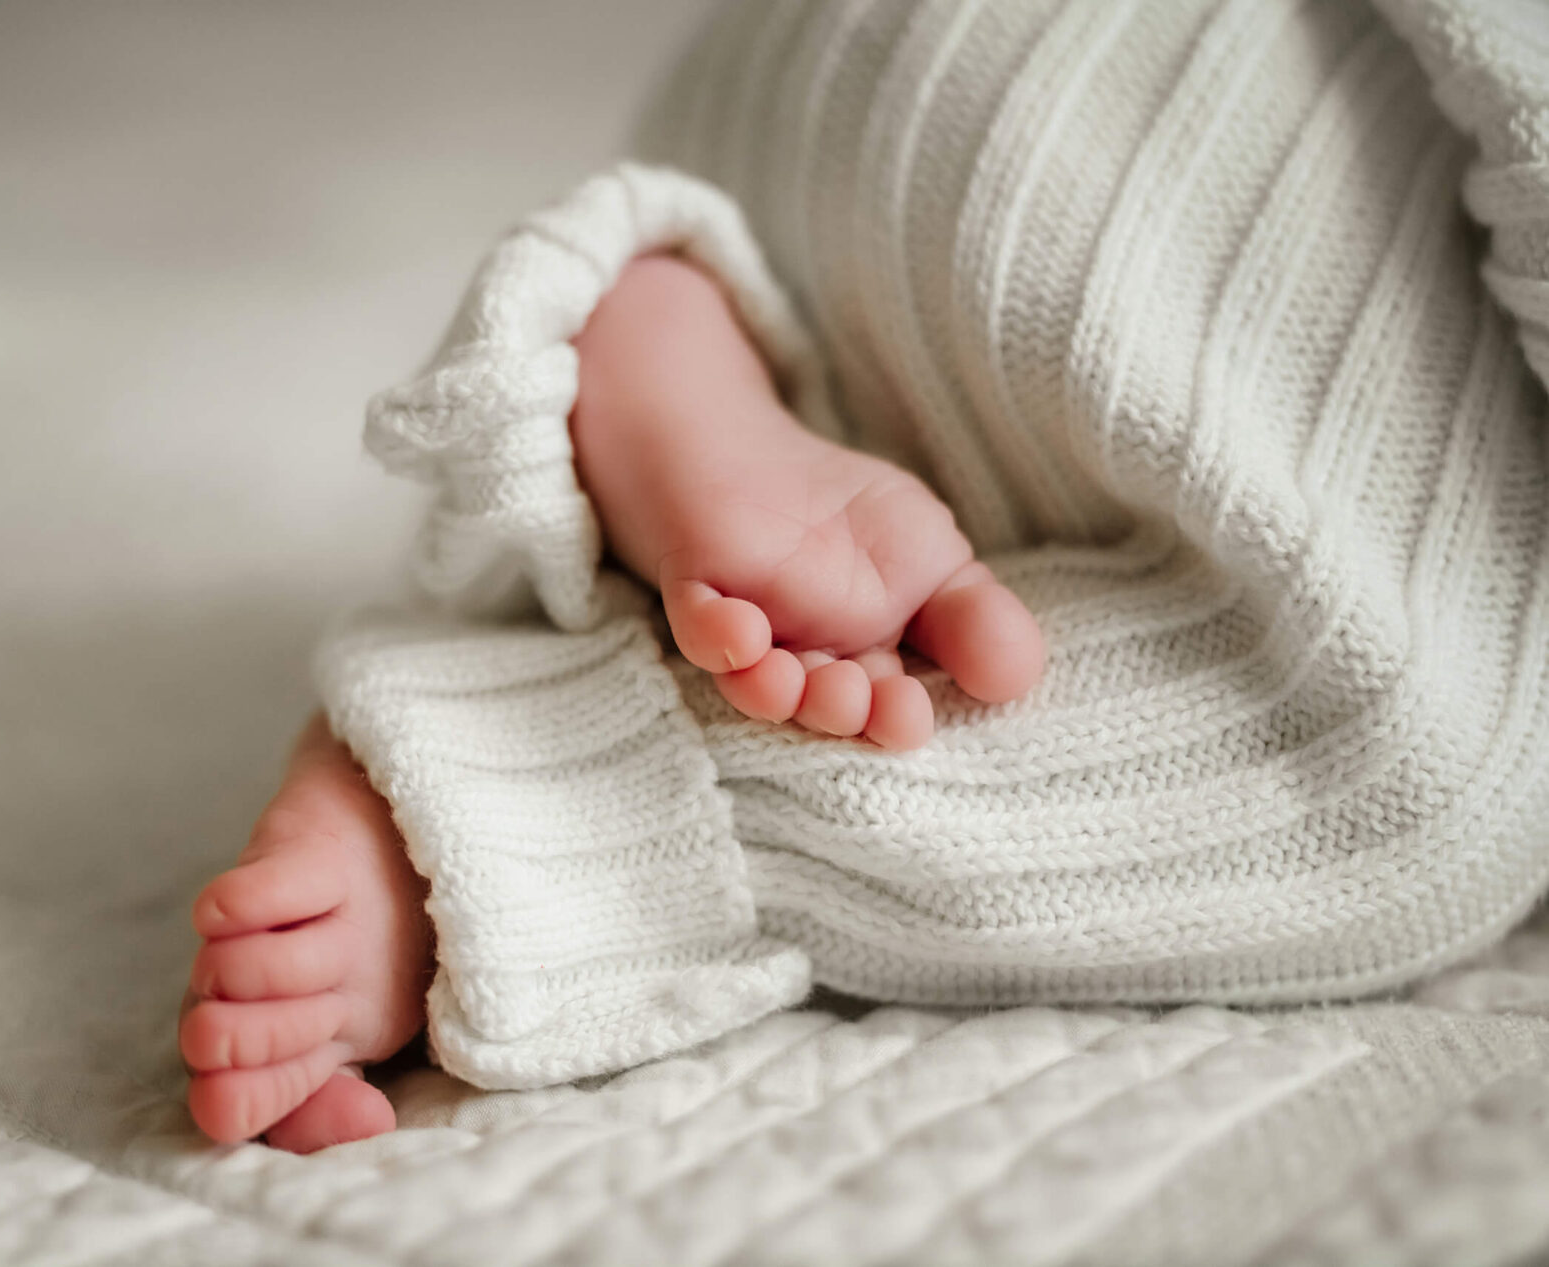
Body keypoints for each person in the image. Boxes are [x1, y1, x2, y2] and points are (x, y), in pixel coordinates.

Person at [179, 0, 1549, 1153]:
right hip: (1194, 186)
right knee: (1406, 768)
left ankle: (679, 332)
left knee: (876, 589)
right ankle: (504, 791)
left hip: (825, 84)